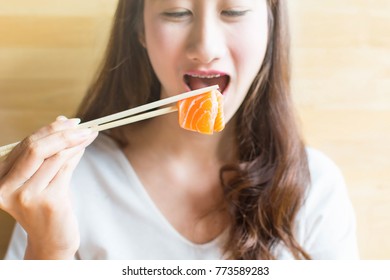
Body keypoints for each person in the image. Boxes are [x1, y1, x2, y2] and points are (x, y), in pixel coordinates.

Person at [2, 0, 358, 260]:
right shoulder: (66, 182)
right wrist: (49, 250)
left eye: (233, 12)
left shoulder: (314, 187)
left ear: (270, 24)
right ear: (139, 30)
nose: (205, 47)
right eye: (176, 12)